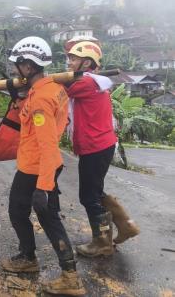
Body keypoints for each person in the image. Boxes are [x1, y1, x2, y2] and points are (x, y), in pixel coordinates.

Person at [1, 37, 85, 296]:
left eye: (18, 65)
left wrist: (44, 187)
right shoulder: (51, 88)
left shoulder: (41, 99)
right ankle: (36, 260)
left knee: (30, 214)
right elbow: (49, 119)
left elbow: (48, 145)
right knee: (40, 216)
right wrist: (18, 99)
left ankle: (57, 272)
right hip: (38, 164)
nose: (16, 70)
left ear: (29, 66)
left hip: (37, 168)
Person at [65, 41, 140, 257]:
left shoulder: (86, 83)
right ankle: (126, 225)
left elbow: (58, 88)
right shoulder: (95, 81)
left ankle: (103, 242)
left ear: (86, 62)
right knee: (95, 192)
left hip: (95, 147)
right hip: (101, 145)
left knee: (88, 196)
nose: (69, 62)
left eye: (73, 58)